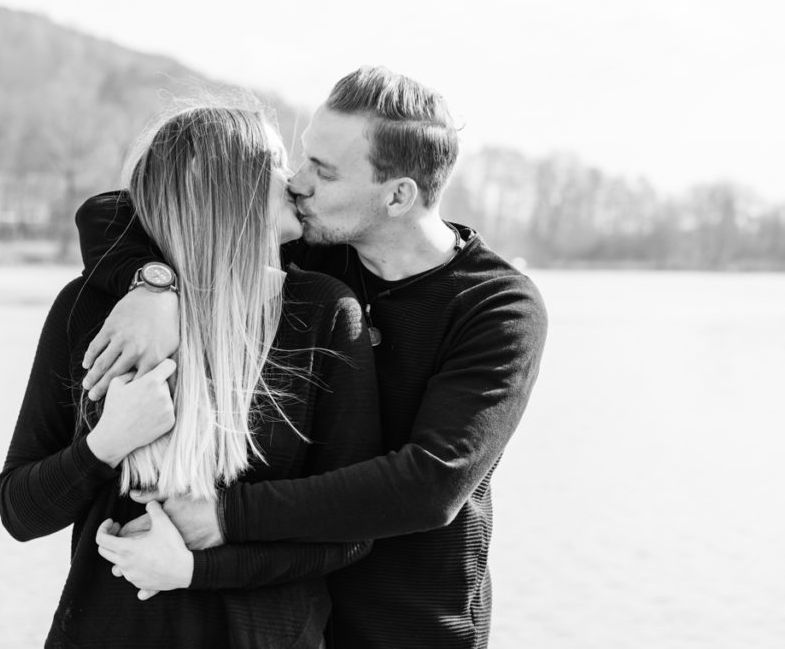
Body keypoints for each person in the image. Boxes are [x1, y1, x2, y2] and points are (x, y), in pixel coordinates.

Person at [74, 66, 548, 648]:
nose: (296, 183)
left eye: (323, 172)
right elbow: (111, 210)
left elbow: (430, 484)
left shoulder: (498, 307)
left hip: (411, 626)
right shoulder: (317, 248)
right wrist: (152, 283)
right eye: (304, 159)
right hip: (290, 617)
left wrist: (228, 516)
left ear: (398, 195)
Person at [0, 105, 382, 648]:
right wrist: (106, 444)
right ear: (228, 188)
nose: (294, 180)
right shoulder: (97, 310)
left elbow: (351, 534)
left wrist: (198, 571)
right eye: (274, 164)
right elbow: (19, 510)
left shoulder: (323, 313)